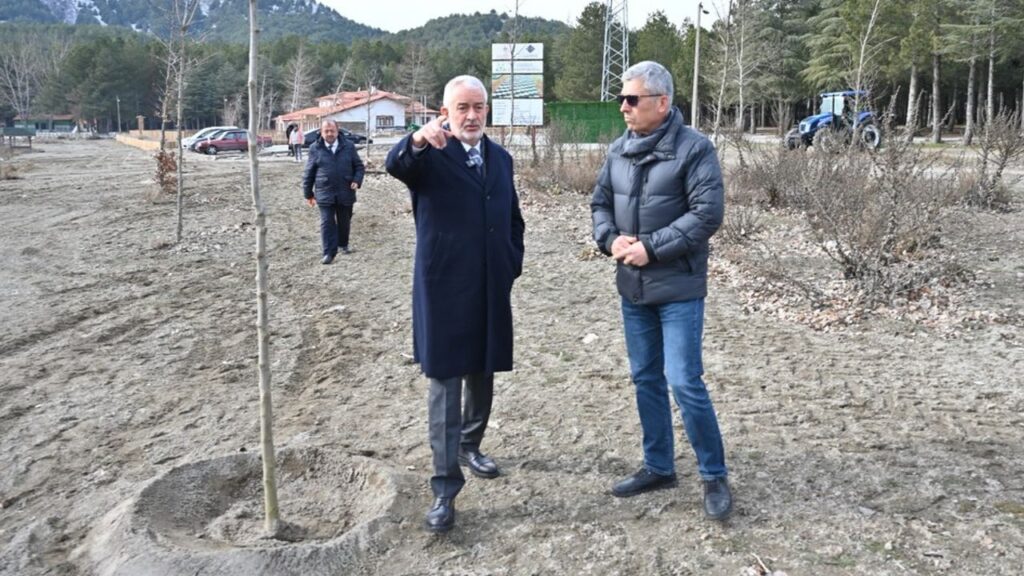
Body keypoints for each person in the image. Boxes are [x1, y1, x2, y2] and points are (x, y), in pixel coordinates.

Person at [590, 61, 733, 521]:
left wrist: (652, 248)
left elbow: (707, 214)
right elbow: (599, 204)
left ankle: (713, 474)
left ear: (662, 102)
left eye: (632, 100)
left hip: (678, 289)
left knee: (684, 381)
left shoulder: (695, 149)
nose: (624, 108)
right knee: (645, 379)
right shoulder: (617, 150)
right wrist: (609, 239)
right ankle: (659, 465)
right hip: (632, 289)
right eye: (622, 100)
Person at [385, 75, 525, 533]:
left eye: (478, 107)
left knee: (483, 371)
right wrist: (417, 140)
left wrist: (509, 262)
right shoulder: (429, 155)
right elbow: (396, 164)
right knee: (445, 384)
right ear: (445, 111)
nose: (470, 116)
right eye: (461, 107)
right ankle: (445, 488)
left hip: (489, 285)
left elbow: (513, 217)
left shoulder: (500, 159)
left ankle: (471, 443)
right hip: (443, 288)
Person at [303, 119, 365, 264]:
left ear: (338, 131)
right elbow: (309, 172)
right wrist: (308, 193)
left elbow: (359, 167)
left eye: (332, 131)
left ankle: (343, 244)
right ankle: (328, 253)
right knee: (327, 222)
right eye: (326, 131)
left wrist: (357, 180)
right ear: (321, 132)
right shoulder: (315, 148)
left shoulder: (349, 146)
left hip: (346, 191)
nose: (329, 134)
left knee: (344, 221)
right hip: (324, 191)